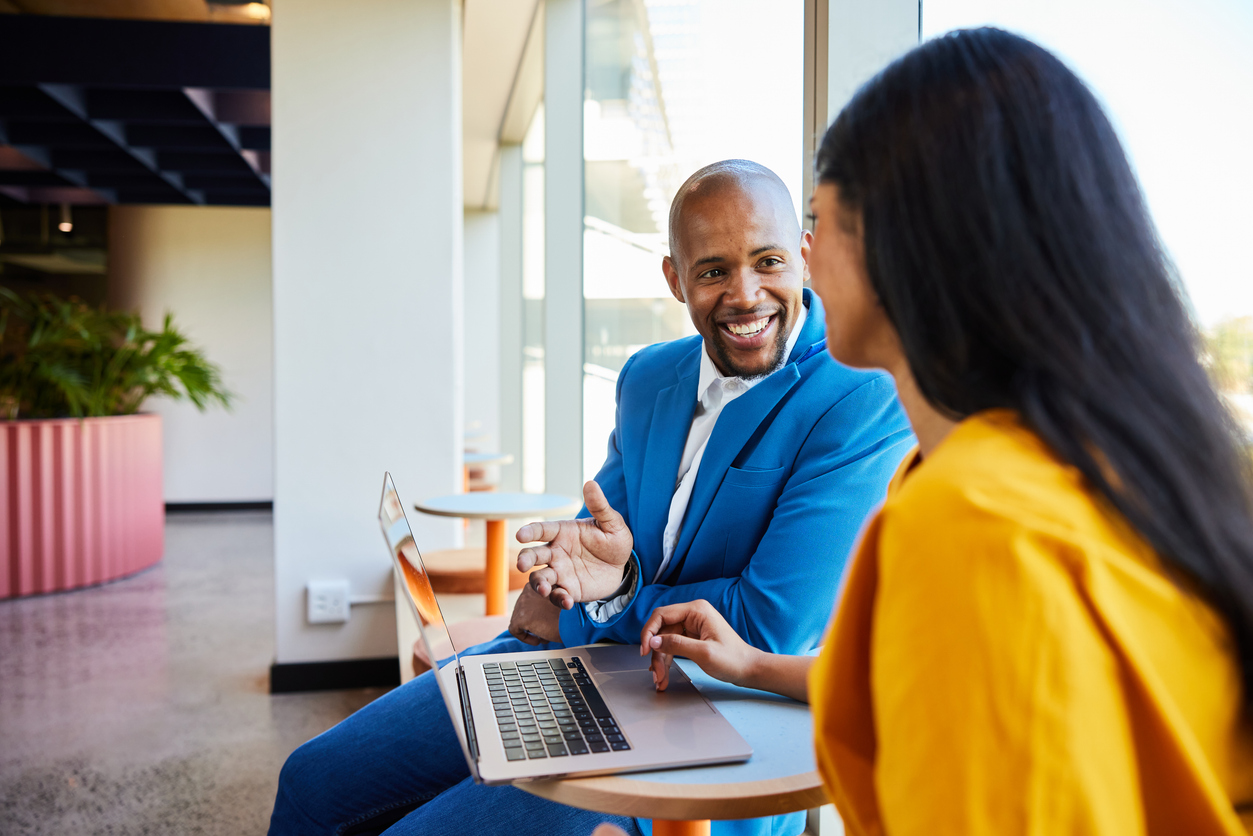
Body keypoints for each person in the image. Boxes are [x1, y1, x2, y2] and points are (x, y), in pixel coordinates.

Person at [623, 28, 1253, 836]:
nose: (800, 267)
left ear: (906, 249)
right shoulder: (1081, 464)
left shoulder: (970, 527)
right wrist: (754, 666)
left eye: (818, 226)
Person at [268, 160, 914, 836]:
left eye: (768, 261)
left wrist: (603, 604)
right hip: (568, 668)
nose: (746, 295)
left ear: (803, 256)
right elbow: (596, 554)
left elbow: (765, 625)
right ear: (675, 278)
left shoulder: (859, 395)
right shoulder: (647, 377)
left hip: (713, 720)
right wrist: (594, 592)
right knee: (310, 783)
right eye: (713, 270)